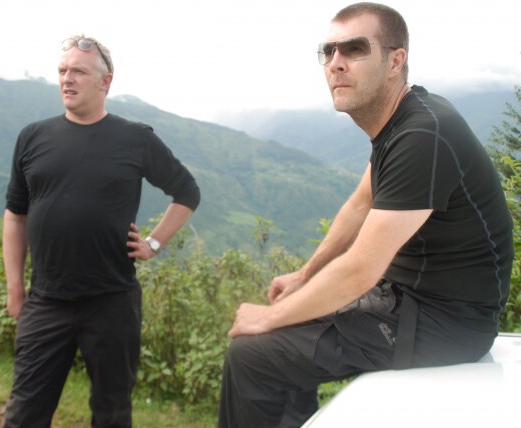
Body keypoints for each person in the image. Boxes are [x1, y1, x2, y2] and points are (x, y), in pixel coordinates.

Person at [218, 2, 513, 427]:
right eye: (328, 51)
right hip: (411, 300)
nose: (335, 63)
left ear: (395, 61)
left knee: (252, 353)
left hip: (445, 323)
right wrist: (304, 276)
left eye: (354, 49)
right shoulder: (401, 122)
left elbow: (360, 270)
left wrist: (267, 317)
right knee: (281, 335)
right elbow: (360, 204)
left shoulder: (423, 133)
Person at [2, 35, 200, 427]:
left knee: (112, 414)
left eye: (78, 71)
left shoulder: (135, 138)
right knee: (24, 414)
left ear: (105, 82)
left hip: (112, 302)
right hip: (46, 300)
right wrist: (15, 289)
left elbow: (187, 192)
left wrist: (154, 242)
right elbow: (15, 216)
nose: (67, 79)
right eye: (63, 70)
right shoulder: (32, 137)